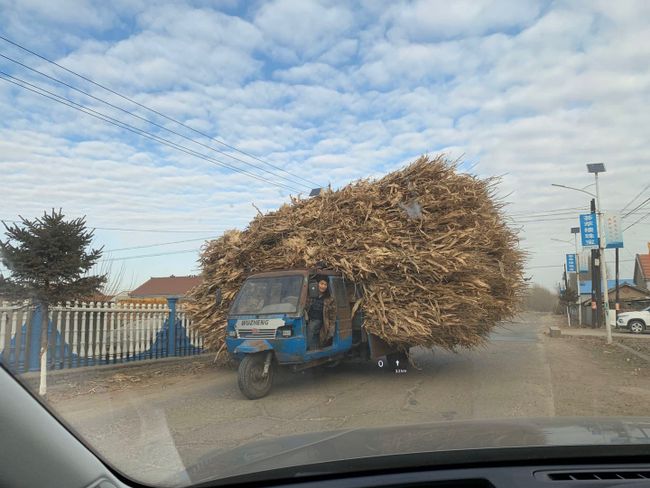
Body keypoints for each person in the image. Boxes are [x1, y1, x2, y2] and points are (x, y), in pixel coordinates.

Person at [307, 278, 331, 350]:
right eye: (321, 284)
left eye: (325, 284)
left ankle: (307, 348)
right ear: (317, 284)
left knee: (311, 328)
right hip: (309, 318)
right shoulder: (311, 295)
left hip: (319, 320)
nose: (323, 286)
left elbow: (332, 312)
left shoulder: (328, 298)